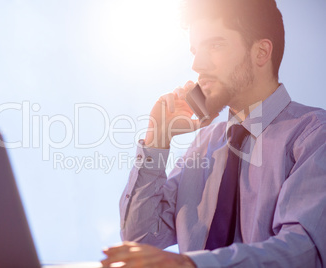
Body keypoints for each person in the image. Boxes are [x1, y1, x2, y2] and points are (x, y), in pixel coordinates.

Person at [101, 0, 326, 267]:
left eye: (215, 45)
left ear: (261, 52)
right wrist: (158, 138)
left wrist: (190, 264)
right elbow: (140, 238)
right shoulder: (203, 145)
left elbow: (304, 251)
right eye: (195, 50)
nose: (197, 64)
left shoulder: (314, 134)